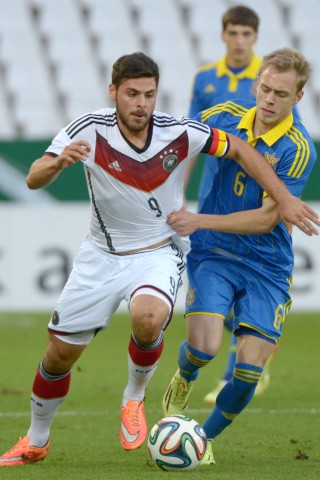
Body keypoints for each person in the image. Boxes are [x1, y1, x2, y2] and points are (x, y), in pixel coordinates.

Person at [0, 51, 318, 468]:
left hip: (169, 253)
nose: (141, 104)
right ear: (114, 92)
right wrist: (58, 163)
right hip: (102, 255)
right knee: (59, 355)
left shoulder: (181, 132)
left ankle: (140, 401)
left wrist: (279, 199)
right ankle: (36, 440)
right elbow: (33, 176)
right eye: (132, 94)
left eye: (149, 95)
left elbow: (240, 154)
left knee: (152, 319)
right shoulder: (88, 128)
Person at [162, 48, 318, 465]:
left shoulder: (298, 148)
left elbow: (268, 219)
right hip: (214, 253)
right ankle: (186, 374)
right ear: (256, 84)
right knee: (205, 347)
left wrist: (200, 220)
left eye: (281, 94)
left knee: (249, 371)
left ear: (297, 98)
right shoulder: (223, 114)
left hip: (267, 264)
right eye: (264, 88)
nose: (269, 99)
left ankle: (201, 439)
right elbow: (177, 146)